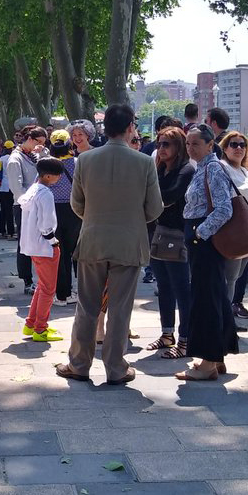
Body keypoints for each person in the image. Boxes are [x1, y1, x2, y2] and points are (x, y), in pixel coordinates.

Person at [55, 105, 163, 385]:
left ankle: (79, 363)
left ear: (104, 128)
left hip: (92, 239)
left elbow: (76, 203)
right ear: (130, 128)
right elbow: (154, 209)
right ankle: (115, 368)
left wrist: (95, 218)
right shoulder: (143, 162)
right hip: (129, 243)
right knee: (120, 309)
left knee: (87, 306)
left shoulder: (86, 160)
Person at [176, 124, 236, 381]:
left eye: (196, 143)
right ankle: (217, 356)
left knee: (205, 299)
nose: (190, 148)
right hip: (202, 239)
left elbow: (224, 209)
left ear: (210, 145)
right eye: (188, 143)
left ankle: (208, 361)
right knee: (214, 295)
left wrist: (201, 232)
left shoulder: (213, 168)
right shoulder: (205, 168)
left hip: (206, 242)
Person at [146, 126, 195, 359]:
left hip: (177, 235)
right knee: (163, 286)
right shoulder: (159, 169)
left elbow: (169, 197)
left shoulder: (186, 169)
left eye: (167, 144)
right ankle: (167, 334)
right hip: (157, 233)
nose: (161, 148)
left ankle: (186, 340)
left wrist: (148, 196)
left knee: (181, 289)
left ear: (179, 146)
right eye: (159, 144)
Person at [219, 132, 248, 321]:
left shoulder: (246, 172)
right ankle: (225, 321)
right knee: (230, 277)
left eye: (242, 145)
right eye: (233, 144)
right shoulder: (221, 169)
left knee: (236, 276)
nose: (239, 148)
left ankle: (226, 318)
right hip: (233, 230)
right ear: (224, 147)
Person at [19, 157, 65, 342]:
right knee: (48, 290)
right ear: (48, 175)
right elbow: (46, 223)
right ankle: (40, 328)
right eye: (57, 175)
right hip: (45, 246)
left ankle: (31, 324)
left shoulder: (33, 189)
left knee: (42, 287)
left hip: (31, 245)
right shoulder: (45, 193)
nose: (59, 178)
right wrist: (53, 240)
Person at [7, 126, 48, 294]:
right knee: (25, 243)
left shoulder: (33, 155)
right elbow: (16, 188)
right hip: (25, 206)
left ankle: (42, 278)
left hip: (39, 204)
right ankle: (27, 280)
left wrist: (43, 152)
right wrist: (30, 202)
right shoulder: (15, 159)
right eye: (38, 142)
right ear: (30, 139)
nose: (40, 146)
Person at [46, 130, 80, 306]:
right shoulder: (77, 162)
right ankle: (79, 291)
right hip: (74, 211)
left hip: (52, 211)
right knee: (75, 252)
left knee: (59, 252)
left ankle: (62, 294)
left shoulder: (46, 164)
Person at [0, 140, 16, 238]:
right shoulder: (12, 158)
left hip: (0, 187)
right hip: (9, 187)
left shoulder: (1, 158)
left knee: (3, 209)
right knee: (9, 210)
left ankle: (1, 231)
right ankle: (11, 232)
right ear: (11, 148)